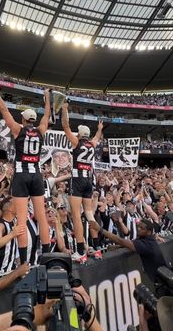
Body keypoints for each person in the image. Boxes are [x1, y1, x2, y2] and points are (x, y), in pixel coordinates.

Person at [0, 84, 51, 264]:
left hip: (21, 175)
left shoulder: (17, 129)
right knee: (42, 218)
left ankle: (24, 263)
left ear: (23, 119)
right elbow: (47, 115)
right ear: (34, 119)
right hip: (37, 175)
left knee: (21, 222)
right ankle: (47, 259)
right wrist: (47, 98)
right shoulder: (41, 130)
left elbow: (3, 110)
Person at [61, 102, 103, 263]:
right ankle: (96, 247)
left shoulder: (77, 142)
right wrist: (99, 129)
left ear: (79, 134)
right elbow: (97, 137)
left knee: (77, 216)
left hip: (77, 179)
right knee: (89, 213)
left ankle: (80, 251)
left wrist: (64, 109)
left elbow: (65, 126)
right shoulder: (92, 144)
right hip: (88, 180)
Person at [89, 218, 167, 282]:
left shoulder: (148, 244)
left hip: (161, 279)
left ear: (149, 232)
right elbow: (130, 243)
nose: (138, 229)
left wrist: (100, 229)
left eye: (142, 228)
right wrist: (117, 247)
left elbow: (121, 241)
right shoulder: (147, 238)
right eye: (138, 226)